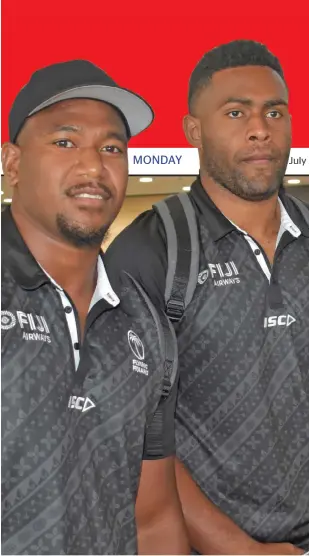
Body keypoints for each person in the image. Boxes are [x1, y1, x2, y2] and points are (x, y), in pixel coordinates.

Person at [105, 40, 309, 555]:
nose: (260, 128)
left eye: (274, 112)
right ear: (194, 130)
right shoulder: (150, 252)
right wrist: (241, 550)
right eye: (236, 113)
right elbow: (134, 437)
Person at [1, 60, 189, 554]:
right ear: (13, 164)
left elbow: (153, 517)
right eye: (65, 142)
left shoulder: (147, 324)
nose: (93, 166)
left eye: (111, 148)